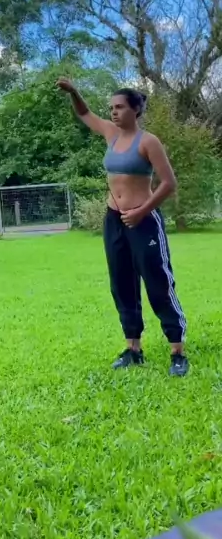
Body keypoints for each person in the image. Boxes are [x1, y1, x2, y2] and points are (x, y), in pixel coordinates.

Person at [56, 78, 188, 377]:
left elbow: (169, 183)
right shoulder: (111, 134)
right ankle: (133, 348)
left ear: (136, 110)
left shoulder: (148, 142)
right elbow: (84, 114)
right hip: (114, 220)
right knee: (121, 282)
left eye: (119, 107)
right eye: (111, 108)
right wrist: (74, 92)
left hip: (143, 220)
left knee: (158, 282)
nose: (113, 112)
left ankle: (177, 351)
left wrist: (141, 212)